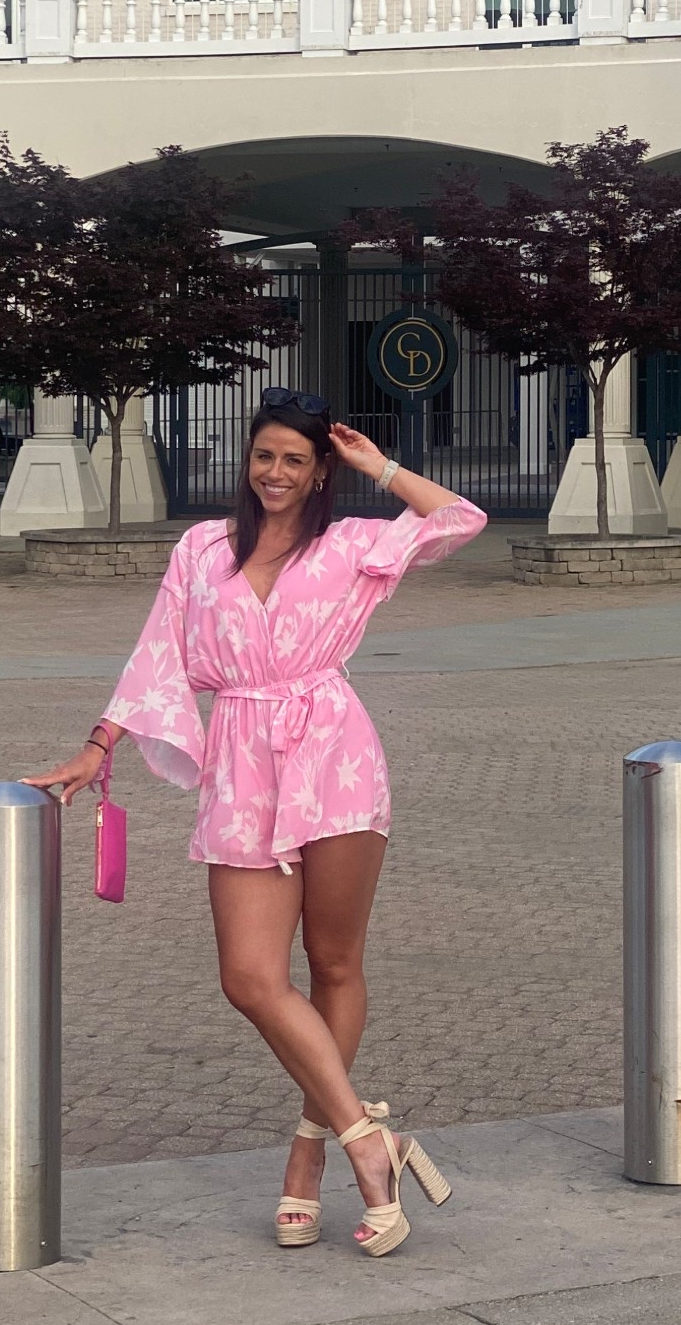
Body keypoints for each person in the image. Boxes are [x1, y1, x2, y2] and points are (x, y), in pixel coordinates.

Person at [26, 387, 486, 1258]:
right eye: (264, 455)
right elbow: (158, 652)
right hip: (241, 763)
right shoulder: (202, 548)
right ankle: (368, 1138)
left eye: (294, 461)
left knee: (335, 963)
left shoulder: (353, 545)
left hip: (335, 760)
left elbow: (461, 517)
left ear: (319, 474)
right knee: (249, 976)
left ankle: (307, 1162)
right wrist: (99, 745)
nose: (274, 473)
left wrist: (377, 465)